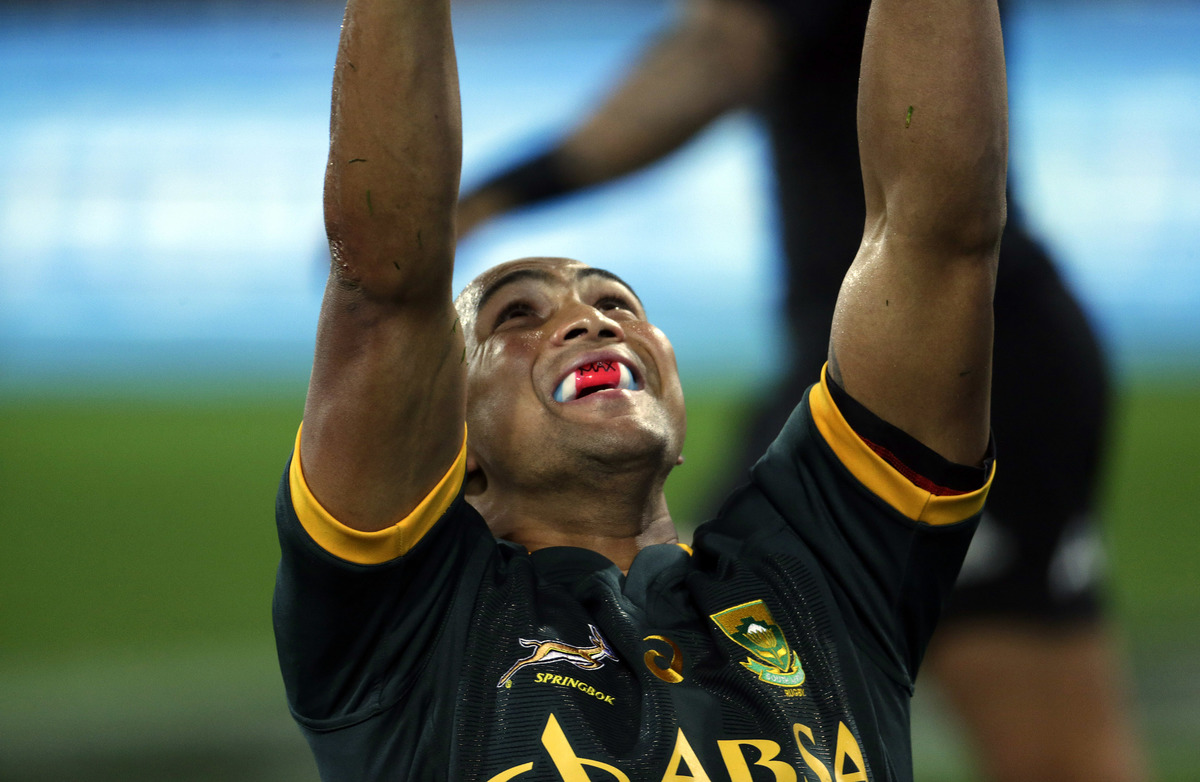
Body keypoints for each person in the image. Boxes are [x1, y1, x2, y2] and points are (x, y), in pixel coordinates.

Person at [272, 0, 1007, 778]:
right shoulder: (408, 629)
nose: (591, 321)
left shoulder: (821, 574)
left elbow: (938, 237)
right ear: (455, 446)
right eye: (516, 315)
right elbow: (386, 285)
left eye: (618, 304)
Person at [454, 1, 1148, 780]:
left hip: (949, 357)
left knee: (1056, 756)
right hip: (870, 350)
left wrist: (494, 196)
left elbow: (716, 56)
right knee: (693, 622)